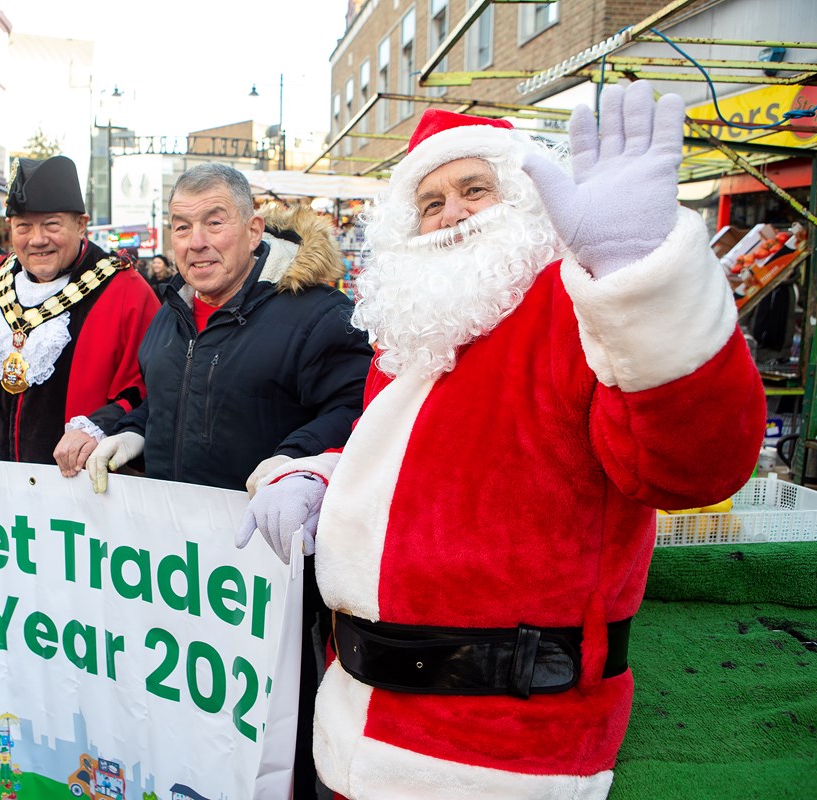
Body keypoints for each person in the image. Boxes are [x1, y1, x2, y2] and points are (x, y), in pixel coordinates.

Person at [238, 83, 765, 798]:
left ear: (521, 198)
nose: (451, 213)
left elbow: (694, 466)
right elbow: (404, 468)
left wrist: (639, 278)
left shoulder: (572, 306)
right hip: (358, 723)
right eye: (431, 202)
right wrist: (320, 480)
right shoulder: (416, 331)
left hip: (502, 755)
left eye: (473, 189)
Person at [86, 162, 373, 799]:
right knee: (192, 718)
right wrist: (130, 431)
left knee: (277, 727)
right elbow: (167, 404)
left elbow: (358, 406)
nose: (196, 242)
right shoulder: (172, 315)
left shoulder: (318, 314)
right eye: (182, 227)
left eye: (214, 222)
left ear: (252, 228)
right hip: (183, 576)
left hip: (272, 582)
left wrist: (293, 462)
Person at [0, 155, 159, 471]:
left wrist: (98, 428)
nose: (37, 239)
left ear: (81, 224)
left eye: (52, 225)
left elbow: (149, 392)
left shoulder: (126, 290)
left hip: (86, 496)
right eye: (23, 227)